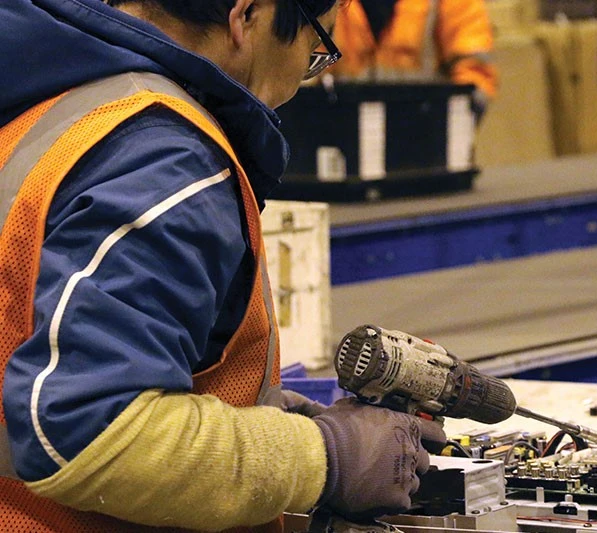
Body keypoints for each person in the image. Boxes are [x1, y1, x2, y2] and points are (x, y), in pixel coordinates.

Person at [0, 0, 445, 531]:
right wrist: (324, 456)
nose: (303, 80)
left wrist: (258, 421)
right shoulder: (165, 158)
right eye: (314, 46)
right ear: (248, 14)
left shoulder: (57, 98)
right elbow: (88, 433)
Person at [332, 0, 498, 120]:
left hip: (427, 149)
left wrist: (447, 128)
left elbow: (475, 77)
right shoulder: (327, 6)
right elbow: (310, 73)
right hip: (342, 146)